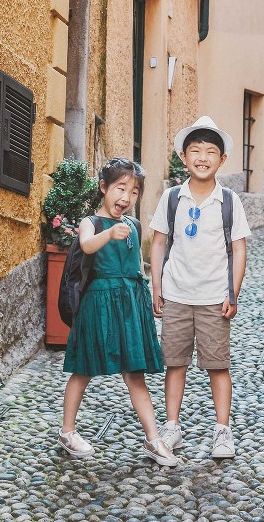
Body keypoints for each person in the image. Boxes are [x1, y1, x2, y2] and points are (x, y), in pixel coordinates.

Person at [59, 157, 178, 467]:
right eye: (120, 188)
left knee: (135, 374)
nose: (126, 198)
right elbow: (86, 246)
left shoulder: (134, 225)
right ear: (103, 188)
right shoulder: (92, 223)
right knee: (84, 368)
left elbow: (137, 267)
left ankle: (153, 439)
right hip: (98, 305)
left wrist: (149, 296)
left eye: (134, 192)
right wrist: (108, 235)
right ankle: (68, 432)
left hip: (129, 305)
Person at [150, 116, 251, 459]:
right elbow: (159, 243)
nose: (202, 157)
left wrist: (232, 293)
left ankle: (223, 430)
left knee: (217, 365)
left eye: (210, 152)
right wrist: (157, 287)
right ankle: (172, 425)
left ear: (222, 160)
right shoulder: (172, 198)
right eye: (195, 151)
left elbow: (239, 249)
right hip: (177, 294)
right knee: (174, 363)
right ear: (184, 157)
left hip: (213, 298)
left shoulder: (229, 201)